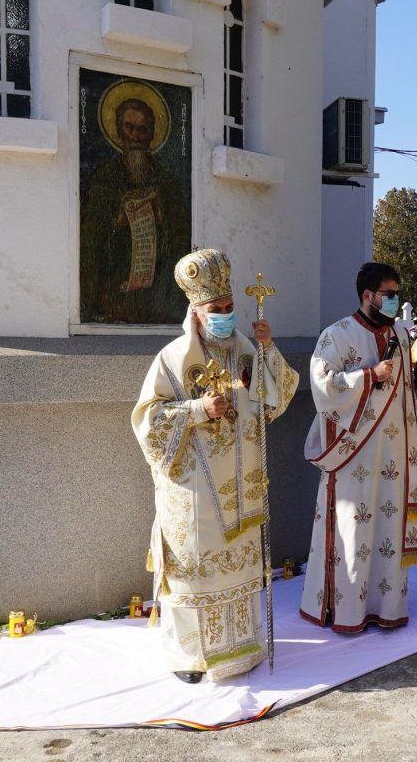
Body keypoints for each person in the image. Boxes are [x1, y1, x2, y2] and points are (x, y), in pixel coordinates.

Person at [131, 249, 299, 683]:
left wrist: (268, 348)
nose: (225, 316)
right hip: (194, 489)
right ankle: (191, 656)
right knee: (196, 567)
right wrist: (197, 410)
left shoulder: (247, 349)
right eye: (216, 310)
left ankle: (242, 647)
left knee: (238, 564)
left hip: (240, 486)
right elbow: (147, 421)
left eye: (229, 308)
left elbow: (277, 400)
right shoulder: (171, 358)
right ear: (196, 310)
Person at [300, 262, 417, 632]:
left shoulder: (401, 336)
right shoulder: (336, 335)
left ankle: (386, 607)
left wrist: (413, 439)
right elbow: (324, 387)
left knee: (389, 525)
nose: (394, 301)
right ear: (368, 295)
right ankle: (346, 610)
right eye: (389, 295)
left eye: (397, 295)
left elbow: (406, 393)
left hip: (393, 454)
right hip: (353, 453)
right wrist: (369, 376)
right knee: (353, 530)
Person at [81, 97, 191, 325]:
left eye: (143, 129)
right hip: (114, 290)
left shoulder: (167, 182)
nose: (135, 136)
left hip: (157, 293)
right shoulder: (105, 178)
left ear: (152, 133)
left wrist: (161, 218)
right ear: (119, 131)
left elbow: (182, 240)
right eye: (129, 127)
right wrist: (117, 220)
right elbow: (90, 240)